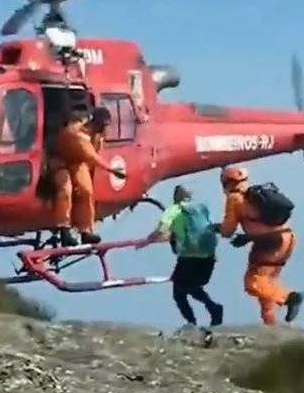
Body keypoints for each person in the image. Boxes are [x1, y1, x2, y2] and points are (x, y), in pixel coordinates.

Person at [216, 165, 304, 325]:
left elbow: (228, 230)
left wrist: (217, 228)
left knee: (253, 283)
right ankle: (271, 326)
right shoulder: (256, 195)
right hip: (288, 238)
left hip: (269, 243)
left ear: (226, 182)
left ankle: (289, 298)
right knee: (268, 283)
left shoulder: (235, 198)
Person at [138, 184, 224, 329]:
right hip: (209, 256)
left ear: (175, 197)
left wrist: (145, 242)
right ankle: (212, 310)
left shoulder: (173, 210)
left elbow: (161, 230)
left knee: (179, 293)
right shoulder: (201, 208)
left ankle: (193, 322)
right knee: (191, 287)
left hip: (189, 256)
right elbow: (212, 227)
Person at [54, 112, 125, 245]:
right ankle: (64, 229)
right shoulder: (77, 133)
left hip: (78, 163)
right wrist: (111, 169)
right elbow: (91, 155)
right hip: (60, 162)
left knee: (86, 190)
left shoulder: (98, 135)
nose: (104, 129)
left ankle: (86, 231)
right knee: (65, 189)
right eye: (103, 125)